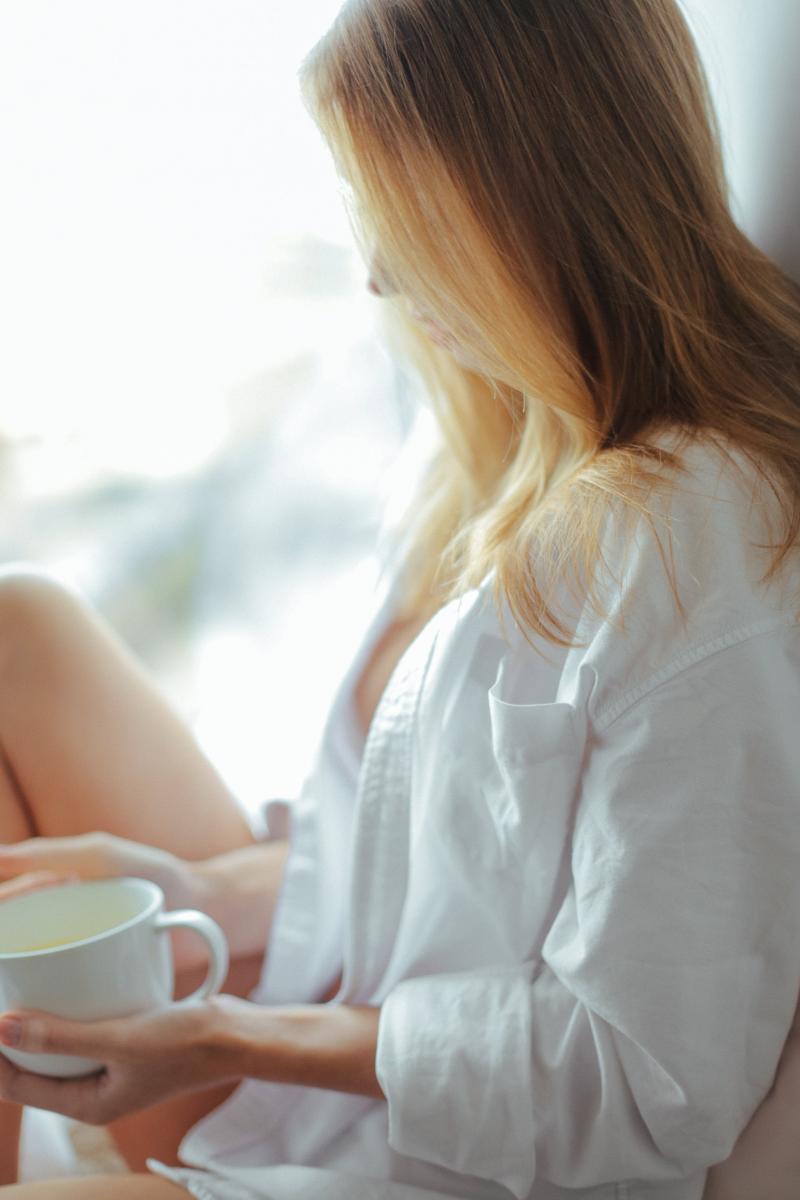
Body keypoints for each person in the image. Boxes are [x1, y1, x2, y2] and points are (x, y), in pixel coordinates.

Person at [0, 0, 798, 1196]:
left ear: (530, 199)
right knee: (19, 630)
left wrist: (227, 1038)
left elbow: (643, 1081)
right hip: (315, 999)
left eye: (410, 221)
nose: (375, 274)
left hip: (414, 1145)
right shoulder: (492, 428)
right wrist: (210, 896)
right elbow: (431, 851)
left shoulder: (695, 549)